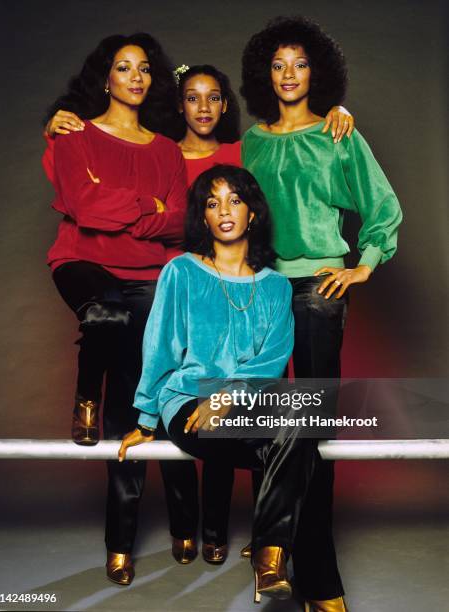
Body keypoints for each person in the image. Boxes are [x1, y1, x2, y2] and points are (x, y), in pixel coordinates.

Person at [43, 59, 355, 566]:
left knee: (276, 413)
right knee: (153, 392)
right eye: (192, 97)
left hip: (237, 289)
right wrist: (57, 125)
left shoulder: (242, 152)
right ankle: (167, 534)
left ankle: (249, 544)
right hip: (168, 283)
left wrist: (335, 112)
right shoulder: (163, 151)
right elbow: (101, 186)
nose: (203, 107)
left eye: (214, 98)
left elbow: (288, 139)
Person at [240, 16, 403, 612]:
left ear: (319, 72)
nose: (288, 75)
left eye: (301, 63)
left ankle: (317, 575)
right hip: (257, 289)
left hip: (318, 285)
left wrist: (366, 262)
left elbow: (381, 205)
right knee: (259, 422)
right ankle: (271, 550)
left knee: (307, 423)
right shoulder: (252, 141)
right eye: (278, 64)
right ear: (264, 73)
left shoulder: (339, 133)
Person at [119, 164, 321, 605]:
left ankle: (269, 555)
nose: (224, 211)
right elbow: (161, 348)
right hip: (188, 403)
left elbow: (272, 362)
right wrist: (147, 417)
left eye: (235, 200)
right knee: (297, 445)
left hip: (246, 404)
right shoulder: (181, 272)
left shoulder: (276, 287)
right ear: (203, 217)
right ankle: (273, 553)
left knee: (300, 417)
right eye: (212, 203)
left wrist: (227, 395)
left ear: (253, 214)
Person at [44, 32, 198, 585]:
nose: (135, 76)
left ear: (153, 80)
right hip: (86, 265)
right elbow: (83, 207)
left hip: (150, 277)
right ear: (104, 78)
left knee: (158, 389)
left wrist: (129, 211)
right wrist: (146, 209)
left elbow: (181, 221)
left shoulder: (165, 151)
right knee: (108, 329)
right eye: (122, 67)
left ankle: (180, 523)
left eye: (144, 68)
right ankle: (122, 537)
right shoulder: (74, 132)